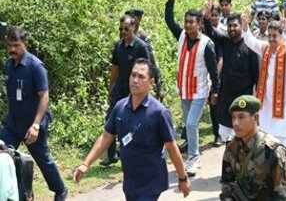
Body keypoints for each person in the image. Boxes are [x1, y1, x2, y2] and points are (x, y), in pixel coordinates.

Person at [73, 59, 190, 200]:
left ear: (151, 83)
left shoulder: (159, 112)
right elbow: (106, 136)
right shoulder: (120, 107)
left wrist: (183, 178)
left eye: (141, 77)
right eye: (133, 75)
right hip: (130, 182)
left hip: (151, 182)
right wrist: (86, 164)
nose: (135, 80)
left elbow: (171, 147)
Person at [1, 27, 68, 201]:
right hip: (14, 123)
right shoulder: (8, 65)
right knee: (3, 155)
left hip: (33, 123)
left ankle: (60, 190)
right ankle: (16, 193)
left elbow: (44, 96)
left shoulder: (35, 66)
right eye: (9, 45)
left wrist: (36, 124)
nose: (12, 50)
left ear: (25, 44)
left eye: (16, 45)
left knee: (43, 160)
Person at [165, 0, 219, 176]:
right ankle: (191, 157)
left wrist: (216, 91)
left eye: (191, 22)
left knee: (191, 123)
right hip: (184, 89)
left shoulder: (207, 44)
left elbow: (214, 72)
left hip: (200, 91)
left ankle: (194, 158)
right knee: (188, 123)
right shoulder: (181, 36)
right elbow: (169, 20)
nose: (187, 25)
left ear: (199, 24)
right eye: (186, 22)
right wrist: (171, 0)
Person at [204, 1, 260, 143]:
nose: (232, 28)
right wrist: (207, 16)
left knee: (244, 135)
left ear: (241, 26)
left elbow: (256, 75)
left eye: (235, 25)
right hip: (227, 97)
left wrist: (257, 95)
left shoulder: (250, 46)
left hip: (244, 98)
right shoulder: (225, 41)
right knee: (228, 138)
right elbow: (211, 32)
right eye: (229, 26)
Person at [242, 11, 286, 146]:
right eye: (270, 36)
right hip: (267, 102)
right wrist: (245, 26)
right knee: (265, 138)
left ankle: (282, 166)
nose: (272, 39)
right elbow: (251, 41)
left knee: (280, 140)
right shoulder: (265, 48)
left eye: (275, 36)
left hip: (283, 102)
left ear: (281, 36)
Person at [101, 15, 151, 167]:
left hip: (135, 89)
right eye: (121, 29)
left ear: (134, 28)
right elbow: (115, 68)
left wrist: (146, 88)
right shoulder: (118, 46)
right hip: (120, 88)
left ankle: (132, 153)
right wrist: (111, 88)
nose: (123, 31)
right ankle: (111, 155)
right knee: (111, 119)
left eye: (126, 29)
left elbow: (148, 69)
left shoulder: (141, 46)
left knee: (134, 123)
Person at [220, 95, 286, 200]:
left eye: (241, 117)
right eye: (233, 117)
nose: (235, 123)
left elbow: (281, 196)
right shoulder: (231, 146)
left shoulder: (272, 150)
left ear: (255, 118)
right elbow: (226, 182)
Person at [125, 7, 164, 101]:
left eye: (133, 18)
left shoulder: (143, 37)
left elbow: (152, 61)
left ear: (139, 19)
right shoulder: (124, 34)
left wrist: (158, 86)